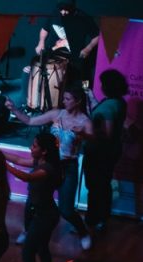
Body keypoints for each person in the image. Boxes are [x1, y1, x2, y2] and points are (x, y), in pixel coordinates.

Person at [6, 87, 93, 250]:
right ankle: (27, 231)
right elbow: (30, 121)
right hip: (48, 164)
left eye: (68, 99)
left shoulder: (85, 122)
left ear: (78, 101)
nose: (64, 102)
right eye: (64, 98)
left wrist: (84, 134)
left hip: (67, 166)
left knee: (66, 209)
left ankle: (83, 232)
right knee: (32, 201)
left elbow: (94, 140)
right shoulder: (57, 114)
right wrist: (14, 109)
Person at [0, 133, 63, 262]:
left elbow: (26, 177)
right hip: (35, 211)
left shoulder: (47, 169)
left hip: (45, 215)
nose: (31, 148)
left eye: (34, 146)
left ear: (44, 151)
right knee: (42, 248)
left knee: (28, 251)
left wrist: (2, 164)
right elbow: (18, 159)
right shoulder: (39, 162)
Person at [84, 69, 128, 232]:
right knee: (102, 185)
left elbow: (107, 133)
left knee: (96, 186)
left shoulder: (109, 106)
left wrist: (85, 132)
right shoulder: (118, 102)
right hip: (110, 151)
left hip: (100, 152)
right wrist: (92, 98)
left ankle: (93, 220)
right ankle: (100, 219)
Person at [35, 0, 100, 87]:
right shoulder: (55, 13)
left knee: (84, 76)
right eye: (61, 10)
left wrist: (88, 48)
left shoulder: (83, 18)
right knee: (50, 74)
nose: (63, 12)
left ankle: (86, 92)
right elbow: (44, 29)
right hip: (55, 53)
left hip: (76, 54)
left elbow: (97, 36)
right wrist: (41, 43)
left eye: (66, 10)